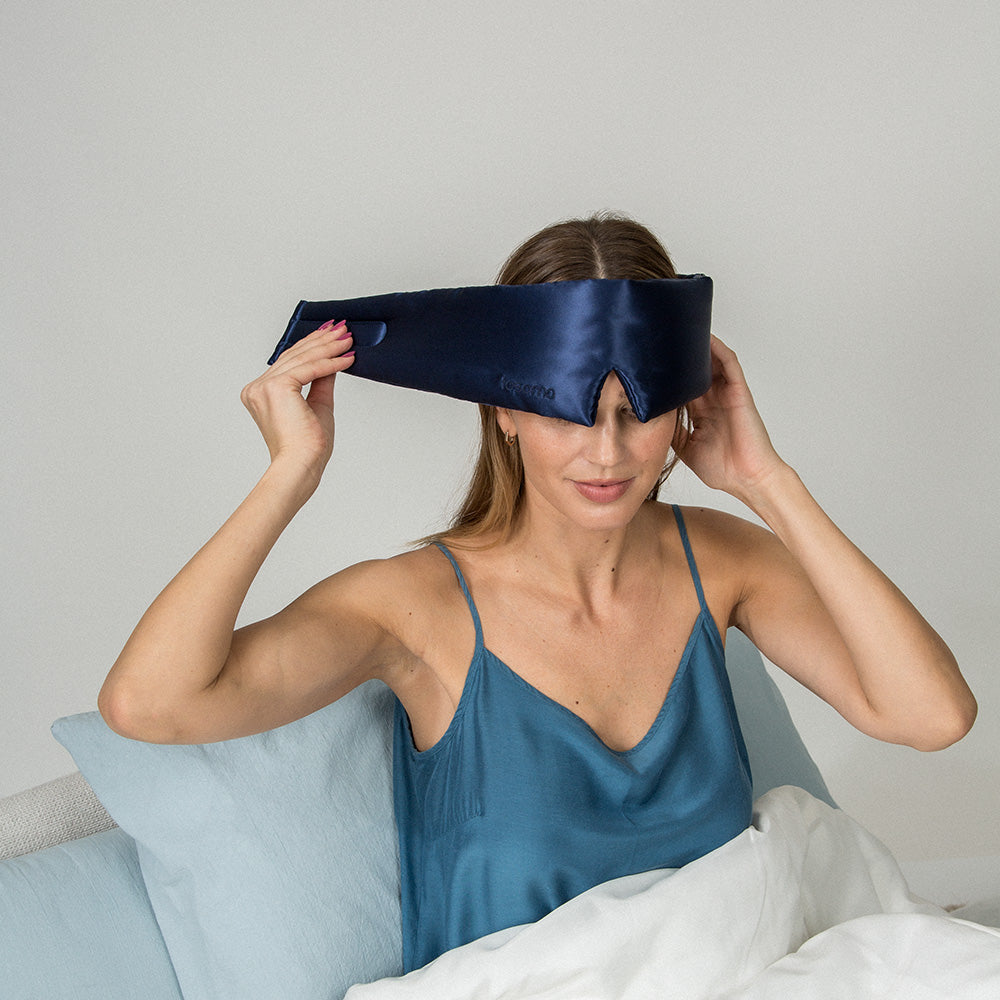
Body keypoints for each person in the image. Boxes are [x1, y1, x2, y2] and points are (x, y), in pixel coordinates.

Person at [99, 213, 976, 971]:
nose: (607, 454)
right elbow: (151, 703)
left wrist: (768, 479)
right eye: (569, 410)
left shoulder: (723, 561)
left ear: (684, 408)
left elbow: (931, 717)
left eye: (639, 412)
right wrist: (290, 474)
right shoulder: (412, 608)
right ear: (505, 409)